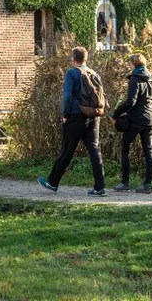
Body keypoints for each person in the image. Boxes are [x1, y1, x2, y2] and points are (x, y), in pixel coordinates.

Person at [38, 47, 107, 196]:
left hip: (76, 115)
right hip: (93, 116)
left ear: (74, 58)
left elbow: (68, 97)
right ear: (85, 58)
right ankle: (100, 187)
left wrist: (65, 114)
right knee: (95, 150)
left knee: (67, 150)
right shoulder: (94, 73)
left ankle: (53, 182)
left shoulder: (72, 73)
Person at [111, 53, 152, 194]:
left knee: (125, 148)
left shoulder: (135, 80)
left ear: (134, 64)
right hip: (150, 119)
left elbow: (131, 101)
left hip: (136, 119)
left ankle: (125, 182)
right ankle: (147, 184)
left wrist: (115, 114)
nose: (129, 66)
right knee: (148, 151)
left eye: (130, 64)